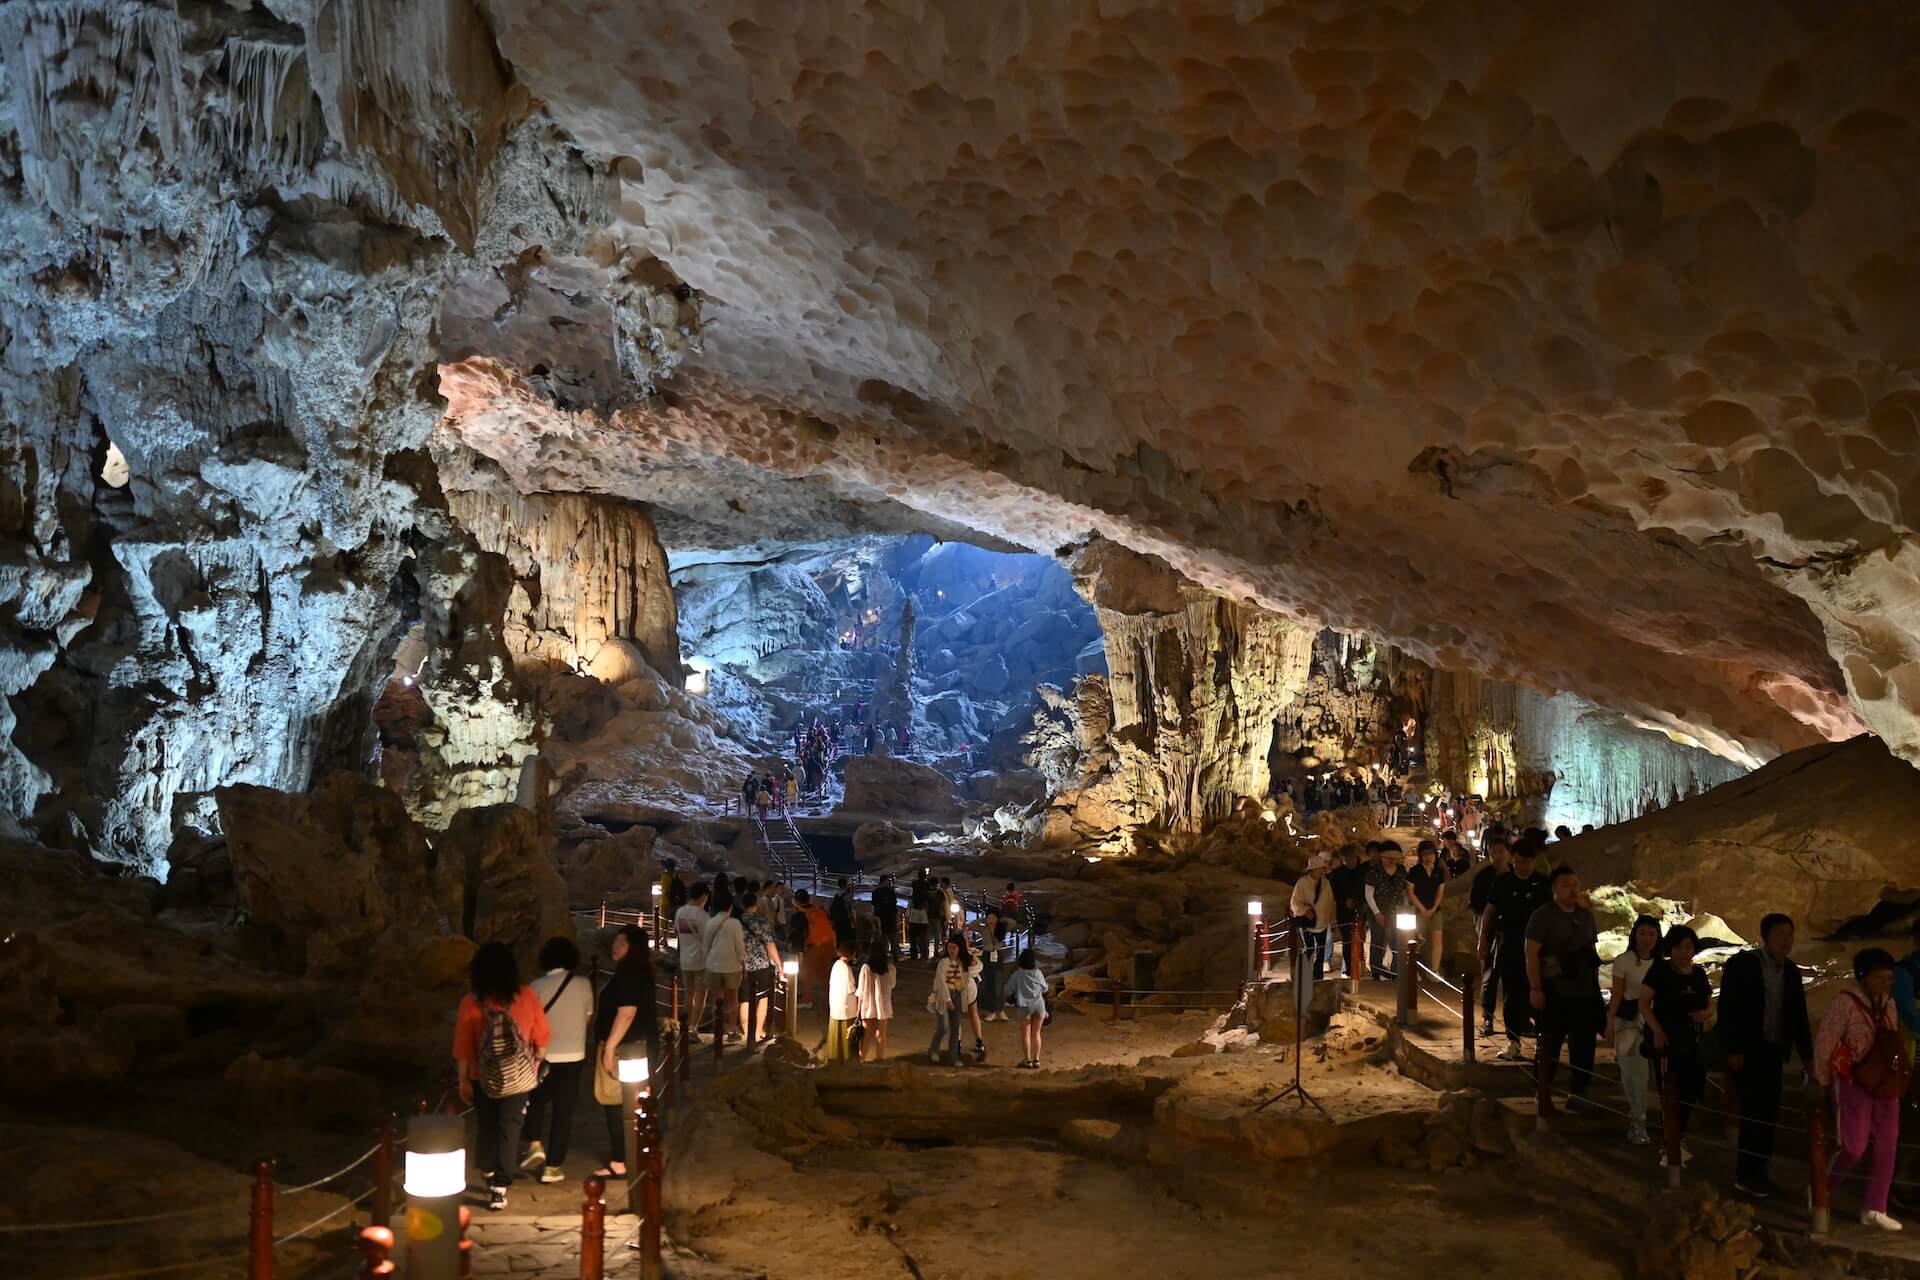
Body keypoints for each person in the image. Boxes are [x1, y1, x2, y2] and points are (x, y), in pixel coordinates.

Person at [1718, 912, 1814, 1197]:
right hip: (1748, 1052)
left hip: (1773, 1052)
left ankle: (1760, 1172)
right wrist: (1733, 1049)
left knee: (1768, 1113)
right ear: (1765, 937)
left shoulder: (1792, 972)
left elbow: (1798, 1018)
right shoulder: (1744, 965)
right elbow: (1728, 1008)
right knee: (1752, 1114)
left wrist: (1808, 1058)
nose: (1787, 941)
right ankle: (1745, 1175)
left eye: (1790, 935)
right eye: (1780, 935)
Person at [453, 942, 551, 1211]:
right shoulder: (527, 996)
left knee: (486, 1124)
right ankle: (500, 1186)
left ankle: (486, 1167)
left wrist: (462, 1079)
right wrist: (536, 1063)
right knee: (510, 1127)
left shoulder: (471, 1002)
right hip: (518, 1078)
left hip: (482, 1076)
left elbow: (463, 1047)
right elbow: (542, 1036)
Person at [1813, 947, 1906, 1229]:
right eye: (1880, 977)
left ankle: (1875, 1207)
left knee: (1888, 1143)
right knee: (1853, 1147)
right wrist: (1821, 1081)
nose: (1886, 984)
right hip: (1853, 1079)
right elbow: (1826, 1040)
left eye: (1890, 978)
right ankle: (1820, 1190)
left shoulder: (1888, 1001)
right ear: (1863, 975)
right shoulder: (1846, 1001)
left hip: (1884, 1081)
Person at [1525, 865, 1602, 1109]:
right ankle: (1543, 1090)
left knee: (1584, 1044)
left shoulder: (1586, 916)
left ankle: (1579, 1092)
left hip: (1584, 990)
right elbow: (1531, 954)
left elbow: (1592, 952)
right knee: (1550, 1042)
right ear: (1554, 889)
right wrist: (1536, 988)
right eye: (1566, 884)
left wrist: (1595, 987)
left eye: (1574, 884)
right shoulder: (1542, 916)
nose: (1572, 889)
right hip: (1554, 990)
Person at [1639, 925, 1714, 1168]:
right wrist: (1658, 1032)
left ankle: (1680, 1137)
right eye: (1679, 947)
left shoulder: (1699, 974)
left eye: (1689, 947)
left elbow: (1709, 1001)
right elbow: (1644, 1004)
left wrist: (1705, 1013)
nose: (1684, 952)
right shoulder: (1660, 971)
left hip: (1692, 1039)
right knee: (1669, 1090)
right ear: (1670, 948)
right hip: (1667, 1039)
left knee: (1690, 1089)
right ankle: (1668, 1143)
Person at [521, 937, 592, 1184]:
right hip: (574, 1055)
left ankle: (535, 1143)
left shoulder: (535, 987)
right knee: (564, 1111)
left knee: (535, 1100)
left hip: (543, 1056)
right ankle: (553, 1166)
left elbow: (528, 1024)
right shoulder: (584, 985)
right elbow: (587, 1017)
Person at [594, 924, 658, 1186]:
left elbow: (627, 1012)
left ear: (632, 947)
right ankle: (634, 1155)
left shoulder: (629, 973)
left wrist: (610, 1047)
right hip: (637, 1046)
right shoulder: (640, 971)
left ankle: (622, 1161)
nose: (615, 946)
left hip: (626, 1048)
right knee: (634, 1102)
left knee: (618, 1103)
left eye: (621, 942)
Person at [1484, 838, 1550, 1061]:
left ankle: (1543, 1041)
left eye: (1527, 862)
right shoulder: (1503, 882)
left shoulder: (1543, 884)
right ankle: (1513, 1041)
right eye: (1519, 861)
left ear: (1534, 861)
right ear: (1514, 860)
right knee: (1512, 993)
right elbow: (1490, 912)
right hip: (1510, 944)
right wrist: (1483, 941)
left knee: (1539, 992)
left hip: (1539, 948)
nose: (1523, 866)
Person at [1606, 915, 1662, 1145]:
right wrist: (1609, 1022)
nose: (1647, 938)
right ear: (1634, 935)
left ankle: (1648, 1121)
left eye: (1652, 934)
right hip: (1629, 1024)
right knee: (1634, 1076)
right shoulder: (1624, 961)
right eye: (1643, 933)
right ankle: (1638, 1124)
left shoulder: (1661, 964)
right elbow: (1617, 995)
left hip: (1654, 1023)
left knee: (1653, 1077)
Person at [1469, 834, 1512, 1037]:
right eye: (1493, 853)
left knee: (1515, 975)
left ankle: (1518, 1019)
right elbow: (1476, 905)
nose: (1497, 856)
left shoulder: (1515, 874)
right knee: (1489, 973)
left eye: (1501, 851)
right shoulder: (1484, 876)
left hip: (1512, 929)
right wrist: (1484, 933)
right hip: (1489, 927)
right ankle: (1488, 1018)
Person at [927, 930, 980, 1066]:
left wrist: (971, 956)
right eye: (949, 947)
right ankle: (933, 1050)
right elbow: (941, 982)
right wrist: (947, 1000)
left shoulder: (963, 963)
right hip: (944, 996)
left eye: (954, 947)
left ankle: (953, 1055)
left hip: (958, 994)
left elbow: (978, 966)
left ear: (960, 948)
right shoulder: (943, 963)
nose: (951, 950)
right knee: (943, 1027)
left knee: (956, 1027)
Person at [738, 890, 782, 1043]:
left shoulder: (737, 922)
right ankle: (757, 1031)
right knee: (762, 997)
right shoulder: (762, 922)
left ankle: (746, 1032)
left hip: (743, 966)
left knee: (744, 999)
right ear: (756, 906)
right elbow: (770, 945)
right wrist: (779, 965)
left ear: (742, 905)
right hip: (761, 964)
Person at [1289, 852, 1336, 981]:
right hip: (1307, 921)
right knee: (1308, 948)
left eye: (1323, 868)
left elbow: (1330, 902)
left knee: (1321, 949)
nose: (1323, 871)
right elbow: (1295, 901)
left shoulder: (1326, 884)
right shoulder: (1302, 883)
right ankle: (1304, 973)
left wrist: (1332, 920)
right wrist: (1304, 910)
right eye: (1321, 868)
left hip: (1322, 921)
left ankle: (1317, 975)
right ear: (1313, 869)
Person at [674, 882, 712, 1040]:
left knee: (688, 996)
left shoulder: (680, 912)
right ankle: (692, 1029)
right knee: (700, 997)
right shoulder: (703, 916)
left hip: (685, 961)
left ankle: (684, 1027)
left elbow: (679, 932)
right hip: (701, 962)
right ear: (703, 897)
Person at [1364, 841, 1408, 979]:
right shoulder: (1374, 871)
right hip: (1378, 910)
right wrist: (1377, 912)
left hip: (1397, 910)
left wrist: (1405, 909)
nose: (1391, 860)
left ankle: (1396, 970)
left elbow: (1404, 891)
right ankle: (1376, 970)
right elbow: (1369, 894)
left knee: (1398, 940)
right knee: (1377, 940)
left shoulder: (1401, 870)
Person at [1004, 947, 1049, 1069]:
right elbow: (1045, 989)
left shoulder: (1017, 974)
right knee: (1036, 1033)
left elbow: (1008, 991)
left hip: (1024, 1006)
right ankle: (1037, 1060)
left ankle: (1028, 1060)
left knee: (1026, 1035)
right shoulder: (1038, 973)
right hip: (1039, 1006)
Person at [1406, 840, 1448, 970]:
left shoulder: (1438, 872)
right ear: (1420, 856)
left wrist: (1433, 908)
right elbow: (1410, 892)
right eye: (1425, 854)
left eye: (1431, 854)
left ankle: (1434, 970)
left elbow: (1440, 893)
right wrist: (1422, 909)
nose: (1428, 857)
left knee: (1437, 940)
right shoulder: (1415, 871)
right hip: (1418, 911)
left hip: (1435, 910)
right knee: (1416, 941)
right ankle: (1414, 970)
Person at [1328, 843, 1368, 980]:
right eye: (1345, 860)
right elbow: (1333, 892)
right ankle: (1349, 969)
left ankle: (1360, 965)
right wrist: (1344, 901)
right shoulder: (1337, 874)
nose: (1348, 862)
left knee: (1362, 938)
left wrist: (1365, 903)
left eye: (1350, 859)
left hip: (1363, 909)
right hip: (1344, 911)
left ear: (1355, 856)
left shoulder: (1365, 870)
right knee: (1347, 940)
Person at [794, 889, 837, 1011]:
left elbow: (805, 933)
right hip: (828, 945)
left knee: (807, 974)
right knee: (825, 975)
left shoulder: (805, 914)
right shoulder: (819, 911)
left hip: (815, 946)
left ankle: (807, 1000)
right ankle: (831, 1000)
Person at [858, 938, 896, 1062]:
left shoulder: (866, 968)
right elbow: (892, 985)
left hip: (868, 1005)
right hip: (883, 1004)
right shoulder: (890, 968)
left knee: (866, 1035)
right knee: (881, 1034)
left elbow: (861, 990)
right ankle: (880, 1059)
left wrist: (858, 1009)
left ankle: (862, 1058)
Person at [825, 939, 861, 1062]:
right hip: (846, 1007)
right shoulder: (846, 968)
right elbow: (851, 988)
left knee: (836, 1035)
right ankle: (845, 1058)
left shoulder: (836, 965)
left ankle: (834, 1056)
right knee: (846, 1037)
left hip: (836, 1004)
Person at [977, 908, 1010, 1021]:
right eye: (989, 918)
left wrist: (1000, 920)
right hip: (986, 956)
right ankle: (991, 1011)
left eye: (993, 918)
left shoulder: (1001, 929)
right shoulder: (983, 929)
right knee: (987, 983)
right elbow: (972, 924)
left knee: (999, 983)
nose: (991, 920)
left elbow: (1012, 922)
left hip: (998, 956)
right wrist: (983, 918)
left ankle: (1000, 1010)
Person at [872, 876, 901, 957]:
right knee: (892, 938)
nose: (889, 882)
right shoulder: (890, 891)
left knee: (883, 938)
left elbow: (874, 905)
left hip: (881, 918)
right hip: (890, 917)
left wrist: (874, 917)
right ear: (884, 881)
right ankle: (895, 956)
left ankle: (884, 956)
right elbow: (894, 904)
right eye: (888, 881)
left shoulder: (875, 892)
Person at [906, 876, 932, 961]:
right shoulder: (926, 893)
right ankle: (924, 954)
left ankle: (914, 954)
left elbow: (909, 905)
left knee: (913, 937)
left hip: (914, 915)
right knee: (923, 936)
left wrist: (907, 916)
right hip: (923, 916)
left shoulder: (914, 894)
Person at [829, 877, 855, 948]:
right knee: (847, 935)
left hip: (837, 919)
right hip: (845, 918)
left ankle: (839, 949)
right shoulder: (847, 895)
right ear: (846, 884)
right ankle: (848, 950)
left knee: (839, 935)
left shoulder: (836, 895)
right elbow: (849, 906)